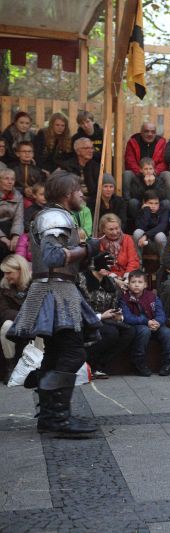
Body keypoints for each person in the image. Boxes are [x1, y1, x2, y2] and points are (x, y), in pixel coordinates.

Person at [9, 170, 104, 436]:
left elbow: (65, 262)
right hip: (55, 292)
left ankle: (50, 416)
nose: (82, 195)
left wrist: (91, 257)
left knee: (56, 353)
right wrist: (87, 249)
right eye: (78, 190)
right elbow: (52, 257)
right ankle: (58, 418)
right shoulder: (54, 217)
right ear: (67, 193)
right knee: (73, 354)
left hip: (57, 288)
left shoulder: (57, 216)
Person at [79, 252, 135, 378]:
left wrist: (117, 315)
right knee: (111, 332)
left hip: (106, 320)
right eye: (104, 264)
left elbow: (114, 304)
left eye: (110, 264)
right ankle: (89, 362)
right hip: (86, 321)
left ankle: (100, 364)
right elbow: (80, 308)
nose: (107, 267)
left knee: (129, 331)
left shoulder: (111, 282)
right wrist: (100, 316)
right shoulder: (82, 280)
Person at [120, 270, 170, 376]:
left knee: (167, 333)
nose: (136, 285)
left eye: (140, 282)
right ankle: (138, 363)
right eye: (133, 282)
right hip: (137, 327)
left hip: (154, 325)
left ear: (145, 284)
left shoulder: (152, 297)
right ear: (128, 284)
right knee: (144, 331)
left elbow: (161, 313)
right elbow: (127, 317)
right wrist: (146, 321)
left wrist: (157, 322)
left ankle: (168, 363)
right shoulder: (124, 298)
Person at [122, 122, 170, 202]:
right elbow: (130, 161)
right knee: (127, 174)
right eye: (146, 131)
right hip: (138, 175)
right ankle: (126, 203)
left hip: (156, 174)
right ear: (141, 132)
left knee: (168, 175)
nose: (150, 134)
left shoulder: (161, 142)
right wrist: (143, 172)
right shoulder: (133, 142)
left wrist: (154, 172)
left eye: (153, 132)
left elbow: (164, 161)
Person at [0, 255, 33, 376]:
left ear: (20, 270)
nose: (5, 276)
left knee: (43, 326)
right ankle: (10, 367)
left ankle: (39, 365)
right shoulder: (3, 288)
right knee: (6, 325)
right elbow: (4, 312)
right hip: (15, 326)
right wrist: (25, 317)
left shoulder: (36, 284)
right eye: (4, 273)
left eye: (9, 272)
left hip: (34, 326)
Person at [126, 156, 170, 222]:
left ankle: (158, 221)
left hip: (155, 204)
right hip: (142, 205)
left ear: (154, 170)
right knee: (133, 202)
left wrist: (153, 184)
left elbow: (162, 195)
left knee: (166, 202)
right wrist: (146, 185)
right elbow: (135, 195)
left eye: (150, 169)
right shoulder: (136, 179)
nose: (148, 171)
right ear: (141, 170)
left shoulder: (158, 179)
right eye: (146, 169)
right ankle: (138, 222)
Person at [97, 213, 140, 281]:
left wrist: (127, 278)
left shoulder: (127, 239)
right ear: (103, 230)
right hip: (108, 278)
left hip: (127, 276)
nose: (115, 232)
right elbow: (100, 266)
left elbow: (133, 261)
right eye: (111, 229)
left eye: (117, 228)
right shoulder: (98, 242)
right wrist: (114, 278)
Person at [60, 137, 100, 206]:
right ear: (77, 151)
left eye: (91, 148)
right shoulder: (67, 167)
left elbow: (97, 190)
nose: (91, 151)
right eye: (86, 148)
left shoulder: (96, 167)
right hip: (72, 203)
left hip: (93, 203)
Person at [133, 190, 169, 260]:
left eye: (156, 203)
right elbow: (140, 227)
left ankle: (163, 263)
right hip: (142, 242)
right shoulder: (141, 211)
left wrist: (146, 235)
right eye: (150, 203)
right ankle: (138, 262)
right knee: (137, 232)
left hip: (158, 241)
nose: (153, 206)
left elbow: (162, 226)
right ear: (144, 203)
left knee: (160, 235)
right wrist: (146, 211)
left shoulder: (163, 210)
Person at [0, 169, 23, 264]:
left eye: (12, 179)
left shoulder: (18, 195)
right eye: (6, 179)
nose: (10, 182)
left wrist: (16, 236)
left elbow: (19, 218)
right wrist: (2, 238)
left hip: (11, 228)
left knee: (19, 244)